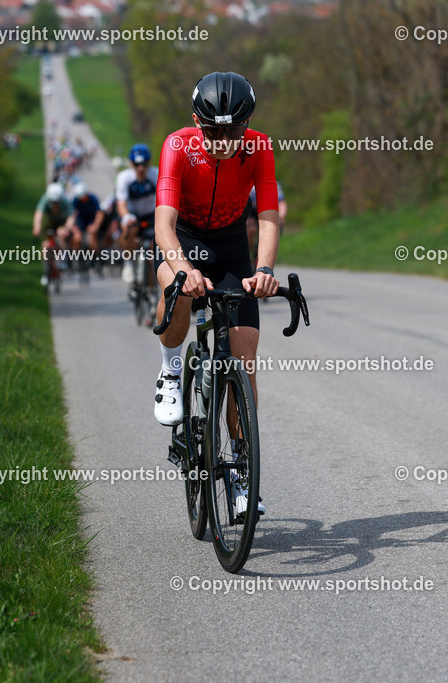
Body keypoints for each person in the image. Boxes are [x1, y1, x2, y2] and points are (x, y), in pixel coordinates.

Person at [152, 72, 280, 514]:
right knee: (177, 289)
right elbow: (163, 225)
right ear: (197, 122)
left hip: (229, 247)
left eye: (233, 131)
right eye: (213, 132)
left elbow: (267, 215)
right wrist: (183, 268)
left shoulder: (259, 148)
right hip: (183, 239)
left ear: (247, 124)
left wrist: (264, 270)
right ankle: (170, 370)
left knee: (244, 359)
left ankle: (242, 474)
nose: (224, 142)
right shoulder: (177, 146)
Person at [115, 144, 159, 284]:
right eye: (137, 164)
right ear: (130, 164)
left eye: (144, 164)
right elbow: (121, 204)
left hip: (151, 214)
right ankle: (128, 262)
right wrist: (127, 217)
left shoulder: (156, 174)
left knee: (158, 241)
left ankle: (153, 280)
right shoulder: (124, 177)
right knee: (129, 229)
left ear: (149, 163)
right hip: (132, 214)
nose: (141, 168)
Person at [32, 182, 73, 286]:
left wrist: (66, 228)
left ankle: (63, 260)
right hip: (51, 222)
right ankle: (46, 269)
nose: (55, 203)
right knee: (45, 245)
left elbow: (71, 217)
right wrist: (37, 227)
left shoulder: (65, 201)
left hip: (62, 221)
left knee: (61, 236)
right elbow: (39, 214)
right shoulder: (45, 199)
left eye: (57, 201)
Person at [65, 182, 103, 252]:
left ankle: (94, 255)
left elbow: (99, 214)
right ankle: (75, 255)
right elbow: (72, 216)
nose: (82, 200)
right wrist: (70, 227)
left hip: (91, 219)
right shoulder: (75, 201)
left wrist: (95, 225)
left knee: (92, 236)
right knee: (77, 237)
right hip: (81, 220)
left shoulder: (93, 199)